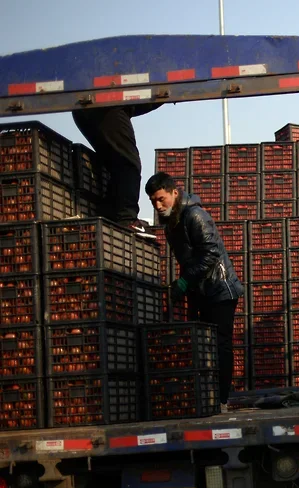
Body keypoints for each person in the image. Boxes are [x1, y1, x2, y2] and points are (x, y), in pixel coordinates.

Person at [146, 172, 244, 411]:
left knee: (220, 345)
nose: (158, 205)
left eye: (161, 199)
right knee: (203, 345)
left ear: (174, 193)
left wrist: (184, 281)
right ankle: (208, 397)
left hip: (219, 288)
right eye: (153, 202)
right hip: (201, 290)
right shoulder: (172, 222)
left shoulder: (195, 215)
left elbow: (210, 253)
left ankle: (221, 400)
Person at [73, 104, 160, 237]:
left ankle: (109, 216)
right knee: (129, 164)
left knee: (117, 166)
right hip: (105, 105)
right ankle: (126, 219)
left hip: (87, 108)